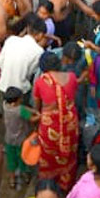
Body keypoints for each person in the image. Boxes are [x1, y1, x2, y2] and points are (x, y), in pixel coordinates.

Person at [32, 52, 81, 190]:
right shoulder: (71, 77)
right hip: (70, 122)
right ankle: (66, 185)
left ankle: (48, 186)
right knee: (69, 152)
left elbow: (37, 107)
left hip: (50, 126)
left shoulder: (40, 82)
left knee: (49, 155)